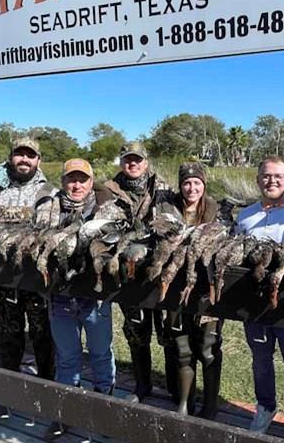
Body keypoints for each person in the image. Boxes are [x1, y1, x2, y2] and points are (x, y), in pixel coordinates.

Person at [0, 138, 57, 422]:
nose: (24, 160)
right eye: (20, 154)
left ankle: (47, 399)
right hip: (0, 283)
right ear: (10, 158)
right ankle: (6, 398)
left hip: (38, 285)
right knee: (8, 339)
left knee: (44, 340)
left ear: (38, 160)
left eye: (31, 155)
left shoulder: (49, 194)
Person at [32, 158, 120, 439]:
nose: (77, 184)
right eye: (72, 179)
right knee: (68, 358)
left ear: (91, 182)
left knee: (100, 356)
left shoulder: (107, 208)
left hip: (94, 299)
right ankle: (65, 414)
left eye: (82, 179)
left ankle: (104, 410)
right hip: (59, 298)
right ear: (63, 181)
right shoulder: (48, 207)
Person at [234, 155, 284, 442]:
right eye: (266, 176)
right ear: (257, 179)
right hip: (255, 306)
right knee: (261, 360)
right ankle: (265, 408)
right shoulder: (245, 216)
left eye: (278, 176)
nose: (272, 181)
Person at [98, 141, 175, 403]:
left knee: (168, 330)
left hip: (159, 267)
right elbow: (102, 227)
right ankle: (143, 386)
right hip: (127, 271)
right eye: (128, 159)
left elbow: (172, 222)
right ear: (121, 162)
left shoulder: (162, 187)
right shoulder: (108, 190)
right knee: (136, 329)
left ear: (146, 162)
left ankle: (174, 387)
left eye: (138, 160)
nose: (133, 164)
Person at [155, 162, 224, 419]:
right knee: (182, 346)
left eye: (197, 182)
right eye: (186, 182)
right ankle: (185, 403)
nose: (191, 187)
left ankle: (210, 405)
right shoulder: (168, 210)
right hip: (175, 288)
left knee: (208, 346)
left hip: (207, 291)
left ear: (204, 185)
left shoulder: (217, 211)